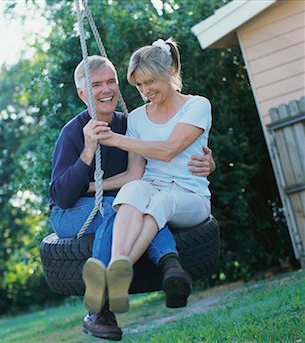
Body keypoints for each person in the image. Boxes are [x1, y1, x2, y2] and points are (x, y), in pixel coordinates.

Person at [49, 55, 215, 341]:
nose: (106, 89)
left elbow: (150, 166)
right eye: (96, 84)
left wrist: (208, 163)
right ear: (82, 93)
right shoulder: (73, 132)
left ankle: (149, 275)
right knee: (122, 206)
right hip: (72, 213)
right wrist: (88, 152)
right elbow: (62, 197)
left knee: (134, 202)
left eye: (111, 81)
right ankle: (102, 309)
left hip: (127, 202)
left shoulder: (129, 122)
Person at [86, 38, 213, 316]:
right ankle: (117, 271)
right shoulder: (138, 118)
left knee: (161, 202)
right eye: (139, 86)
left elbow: (168, 151)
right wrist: (93, 186)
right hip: (152, 186)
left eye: (149, 83)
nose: (145, 92)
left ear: (168, 73)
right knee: (131, 191)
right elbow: (135, 172)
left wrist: (116, 140)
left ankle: (118, 272)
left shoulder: (197, 106)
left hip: (190, 197)